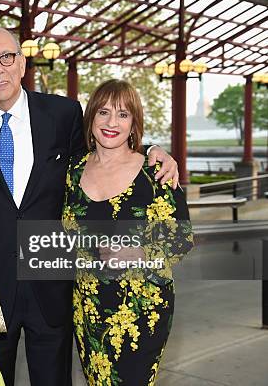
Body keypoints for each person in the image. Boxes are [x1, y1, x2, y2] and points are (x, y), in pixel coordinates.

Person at [0, 27, 179, 386]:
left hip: (51, 282)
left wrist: (150, 149)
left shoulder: (63, 113)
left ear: (22, 62)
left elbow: (104, 151)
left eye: (7, 57)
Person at [63, 79, 193, 385]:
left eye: (123, 115)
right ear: (91, 117)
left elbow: (181, 238)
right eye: (104, 113)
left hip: (141, 310)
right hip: (88, 310)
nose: (111, 123)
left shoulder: (155, 172)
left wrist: (140, 251)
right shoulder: (72, 170)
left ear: (134, 123)